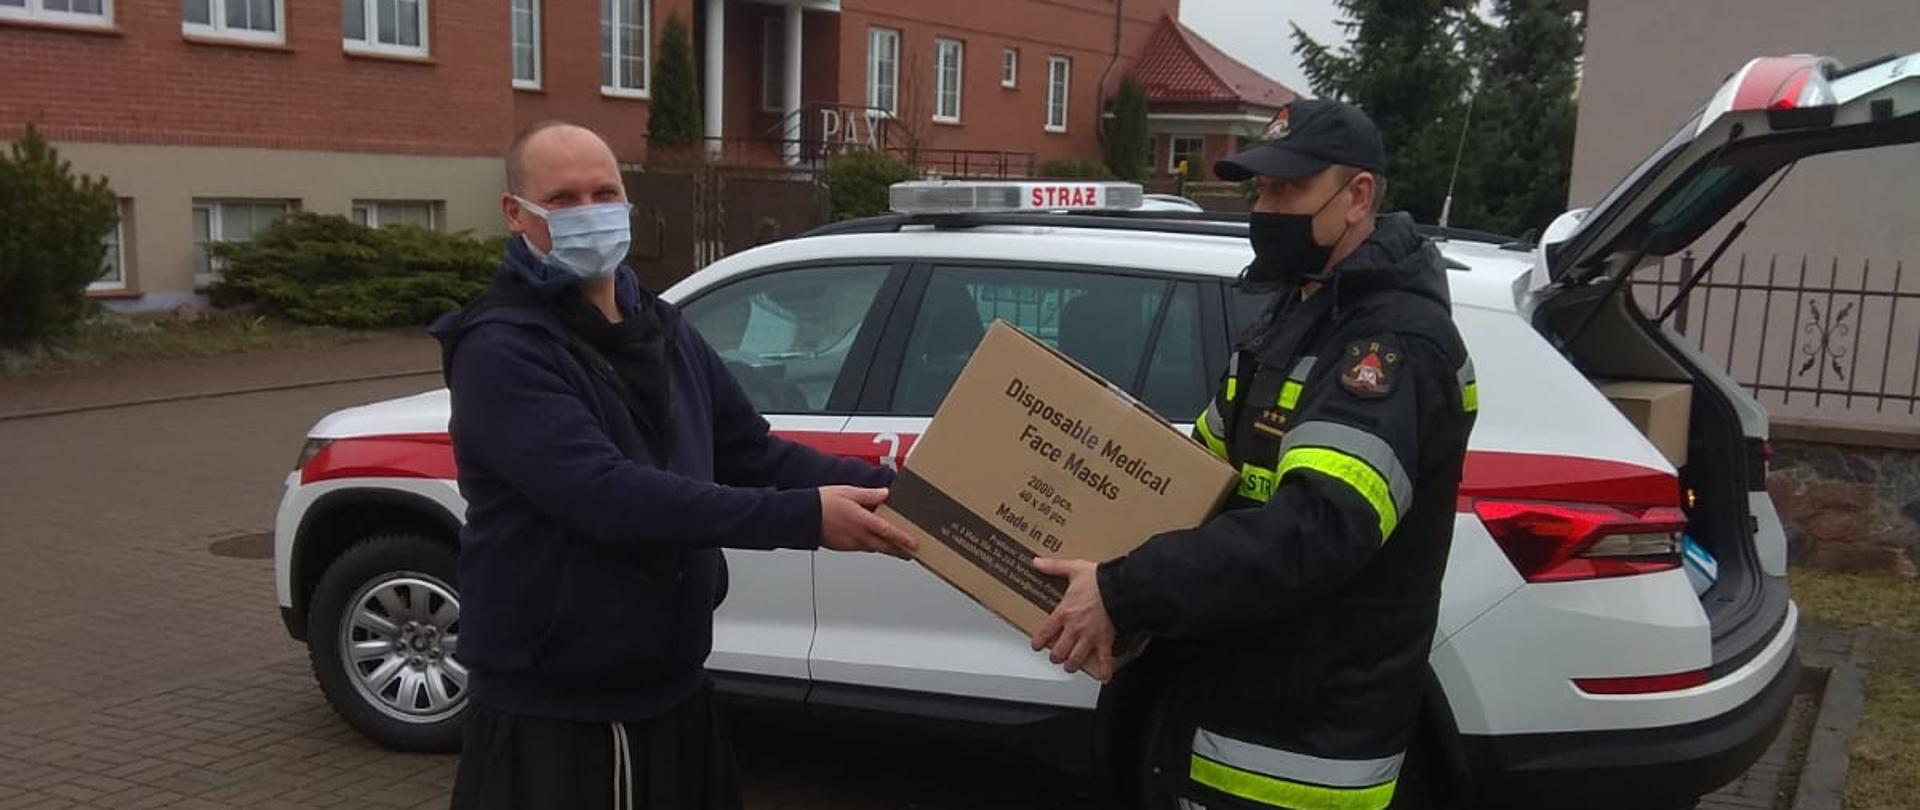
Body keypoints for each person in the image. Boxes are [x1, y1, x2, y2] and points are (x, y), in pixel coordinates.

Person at [431, 121, 915, 810]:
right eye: (564, 199)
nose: (590, 212)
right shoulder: (502, 349)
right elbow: (607, 496)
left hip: (673, 690)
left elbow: (752, 452)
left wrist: (911, 496)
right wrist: (807, 518)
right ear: (517, 214)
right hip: (564, 715)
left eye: (605, 192)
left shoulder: (661, 327)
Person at [1029, 99, 1479, 810]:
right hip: (1230, 698)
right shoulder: (1291, 320)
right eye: (1261, 190)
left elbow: (1317, 528)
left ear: (1358, 197)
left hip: (1303, 744)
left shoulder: (1388, 346)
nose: (1265, 209)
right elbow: (1196, 481)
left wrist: (1126, 587)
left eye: (1288, 190)